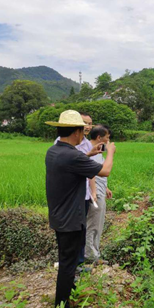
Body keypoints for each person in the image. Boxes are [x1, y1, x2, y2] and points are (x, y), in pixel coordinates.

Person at [45, 110, 116, 308]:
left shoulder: (55, 151)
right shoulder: (73, 156)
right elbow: (105, 171)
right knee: (68, 264)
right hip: (71, 218)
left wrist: (88, 155)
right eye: (82, 132)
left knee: (69, 258)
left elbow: (72, 165)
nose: (84, 135)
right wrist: (109, 152)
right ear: (76, 132)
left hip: (59, 216)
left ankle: (68, 294)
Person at [55, 112, 93, 270]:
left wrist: (94, 191)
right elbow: (69, 163)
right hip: (68, 196)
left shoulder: (87, 144)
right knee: (68, 232)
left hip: (83, 194)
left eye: (90, 123)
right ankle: (68, 265)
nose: (87, 127)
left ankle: (78, 262)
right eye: (84, 123)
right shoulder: (59, 145)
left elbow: (90, 170)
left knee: (81, 230)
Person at [85, 125, 113, 264]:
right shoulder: (89, 150)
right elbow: (90, 174)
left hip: (100, 192)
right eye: (107, 137)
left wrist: (106, 187)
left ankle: (94, 253)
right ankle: (91, 256)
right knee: (93, 225)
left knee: (98, 224)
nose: (108, 141)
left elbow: (99, 172)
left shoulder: (97, 151)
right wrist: (94, 192)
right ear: (99, 137)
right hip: (95, 195)